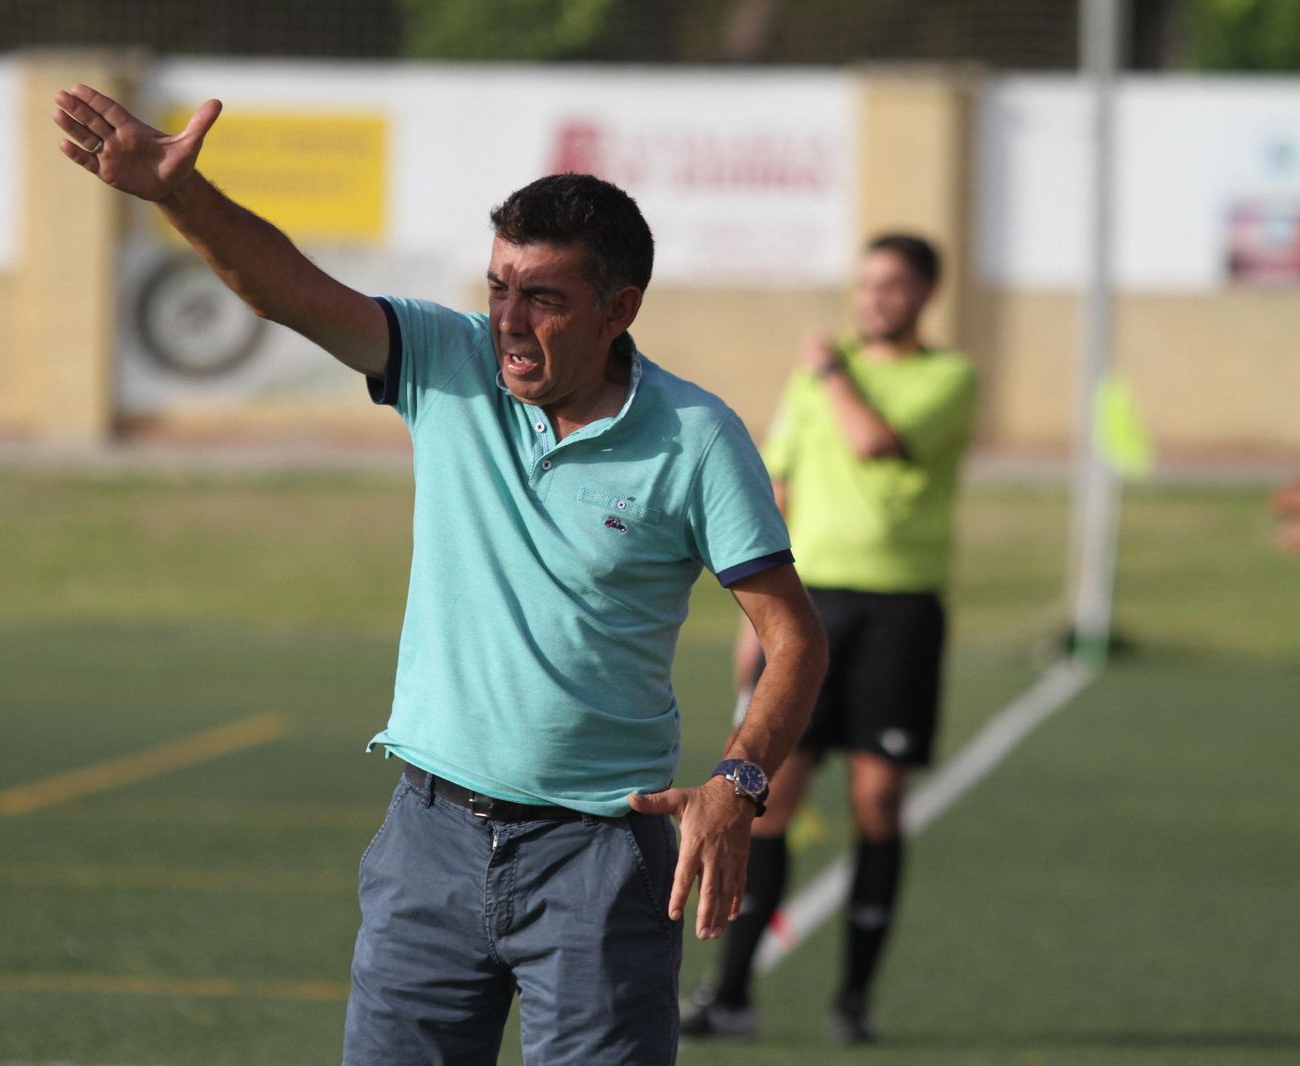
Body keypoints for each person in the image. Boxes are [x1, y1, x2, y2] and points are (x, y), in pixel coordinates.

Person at [52, 84, 828, 1065]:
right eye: (498, 284)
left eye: (541, 295)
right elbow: (286, 287)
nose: (506, 318)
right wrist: (178, 194)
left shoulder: (696, 437)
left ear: (618, 308)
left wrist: (739, 780)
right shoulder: (445, 360)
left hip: (601, 858)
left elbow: (793, 633)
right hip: (429, 842)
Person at [679, 233, 978, 1046]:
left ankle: (853, 998)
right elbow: (778, 483)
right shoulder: (814, 377)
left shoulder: (948, 378)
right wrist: (757, 623)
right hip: (812, 607)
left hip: (902, 611)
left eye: (893, 286)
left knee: (877, 802)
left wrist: (834, 373)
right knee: (768, 798)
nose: (874, 299)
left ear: (926, 293)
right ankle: (731, 992)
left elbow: (872, 441)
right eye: (866, 284)